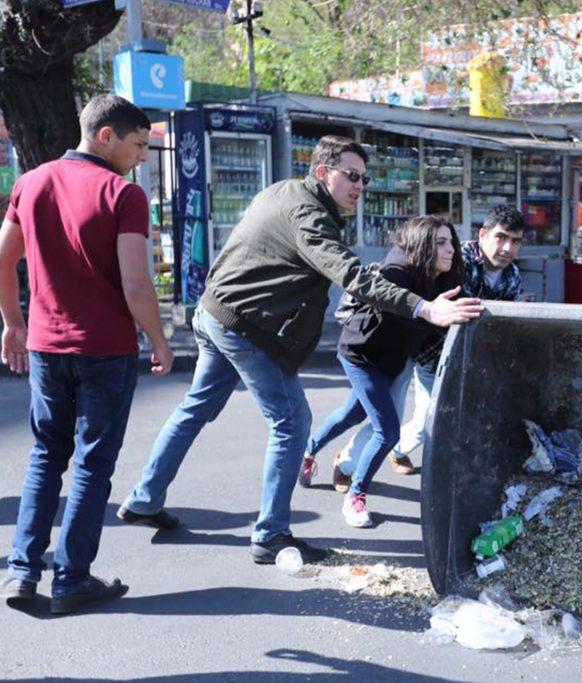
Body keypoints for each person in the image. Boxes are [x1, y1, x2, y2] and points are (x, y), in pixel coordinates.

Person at [118, 136, 483, 565]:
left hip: (216, 312)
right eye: (351, 175)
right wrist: (424, 308)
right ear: (322, 171)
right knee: (292, 422)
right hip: (245, 327)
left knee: (195, 409)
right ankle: (271, 534)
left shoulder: (285, 191)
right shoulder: (308, 214)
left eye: (363, 178)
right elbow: (348, 273)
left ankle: (144, 498)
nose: (359, 185)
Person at [0, 94, 173, 614]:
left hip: (47, 347)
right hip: (105, 349)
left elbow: (2, 260)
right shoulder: (123, 194)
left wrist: (13, 324)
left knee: (45, 457)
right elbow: (136, 285)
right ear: (107, 136)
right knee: (94, 466)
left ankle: (23, 573)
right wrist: (160, 341)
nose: (142, 156)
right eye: (138, 145)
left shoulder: (30, 182)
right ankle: (72, 579)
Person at [305, 205, 525, 491]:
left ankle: (396, 450)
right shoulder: (459, 259)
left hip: (444, 357)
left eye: (516, 241)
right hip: (409, 346)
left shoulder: (512, 277)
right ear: (483, 234)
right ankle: (345, 465)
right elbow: (404, 284)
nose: (507, 247)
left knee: (420, 425)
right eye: (501, 237)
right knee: (383, 422)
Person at [304, 215, 464, 528]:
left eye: (451, 242)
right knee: (388, 430)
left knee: (352, 414)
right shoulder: (396, 269)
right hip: (361, 356)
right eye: (441, 243)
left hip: (394, 360)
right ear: (421, 246)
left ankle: (309, 451)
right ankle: (355, 496)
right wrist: (430, 310)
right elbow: (403, 306)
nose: (451, 250)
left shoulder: (444, 276)